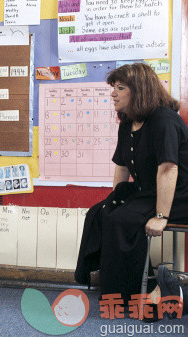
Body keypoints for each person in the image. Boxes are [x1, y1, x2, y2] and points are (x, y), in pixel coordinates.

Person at [75, 63, 188, 320]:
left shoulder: (164, 120)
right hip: (148, 191)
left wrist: (161, 215)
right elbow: (122, 166)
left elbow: (168, 169)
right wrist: (115, 199)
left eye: (120, 88)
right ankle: (125, 288)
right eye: (113, 87)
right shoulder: (127, 124)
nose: (113, 93)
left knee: (122, 219)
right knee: (102, 212)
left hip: (179, 194)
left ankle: (133, 297)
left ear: (139, 91)